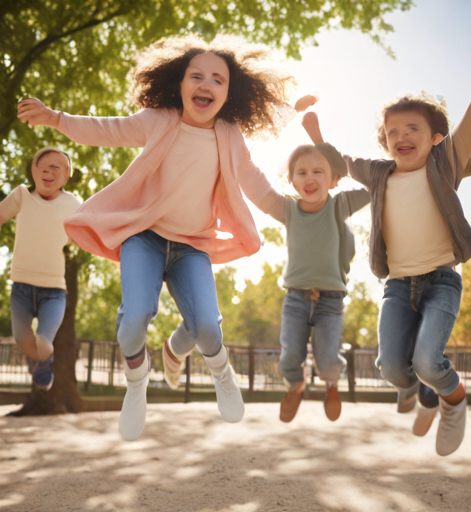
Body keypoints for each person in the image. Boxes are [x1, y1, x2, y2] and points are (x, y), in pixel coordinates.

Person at [17, 35, 313, 441]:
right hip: (146, 238)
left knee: (207, 325)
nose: (205, 84)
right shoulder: (160, 119)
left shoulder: (230, 135)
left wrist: (296, 216)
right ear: (180, 83)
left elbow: (259, 188)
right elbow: (108, 130)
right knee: (134, 317)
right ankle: (137, 381)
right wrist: (56, 119)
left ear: (230, 93)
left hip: (192, 246)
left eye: (217, 79)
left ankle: (213, 368)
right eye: (196, 76)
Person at [302, 52, 471, 455]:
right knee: (391, 367)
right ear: (385, 141)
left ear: (436, 138)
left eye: (413, 129)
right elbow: (341, 162)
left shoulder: (445, 164)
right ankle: (420, 394)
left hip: (441, 281)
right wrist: (315, 130)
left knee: (428, 361)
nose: (402, 136)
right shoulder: (379, 174)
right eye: (393, 131)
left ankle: (452, 400)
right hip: (397, 287)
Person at [264, 141, 369, 423]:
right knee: (289, 356)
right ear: (291, 179)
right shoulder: (288, 209)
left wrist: (344, 169)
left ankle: (332, 385)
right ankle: (296, 385)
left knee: (327, 358)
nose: (310, 178)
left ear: (332, 179)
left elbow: (376, 187)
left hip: (331, 300)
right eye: (302, 172)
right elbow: (259, 193)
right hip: (296, 298)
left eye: (318, 172)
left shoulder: (340, 204)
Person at [0, 147, 81, 390]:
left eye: (55, 167)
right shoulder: (21, 196)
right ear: (33, 171)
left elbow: (89, 230)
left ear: (67, 174)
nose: (47, 171)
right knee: (22, 338)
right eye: (42, 167)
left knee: (43, 341)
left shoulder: (73, 203)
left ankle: (44, 363)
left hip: (54, 291)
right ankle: (42, 364)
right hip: (21, 287)